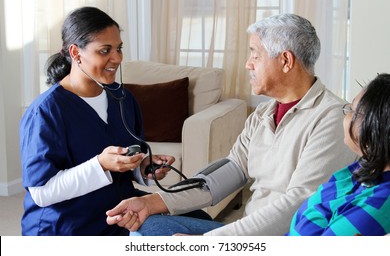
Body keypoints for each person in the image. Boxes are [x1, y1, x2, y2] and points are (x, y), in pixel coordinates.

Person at [105, 13, 357, 236]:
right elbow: (230, 171)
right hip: (250, 231)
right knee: (149, 217)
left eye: (255, 54)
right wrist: (153, 202)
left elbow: (300, 205)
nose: (248, 63)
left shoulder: (333, 118)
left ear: (286, 61)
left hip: (284, 238)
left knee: (154, 230)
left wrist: (211, 243)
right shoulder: (263, 113)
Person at [20, 6, 177, 235]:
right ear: (75, 53)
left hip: (119, 215)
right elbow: (42, 193)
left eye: (119, 49)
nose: (117, 58)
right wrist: (100, 164)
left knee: (197, 219)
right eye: (105, 51)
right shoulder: (46, 112)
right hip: (65, 226)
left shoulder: (123, 99)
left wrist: (143, 169)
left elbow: (130, 157)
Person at [286, 73, 390, 236]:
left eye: (353, 111)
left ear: (376, 129)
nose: (346, 115)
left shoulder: (379, 204)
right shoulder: (364, 168)